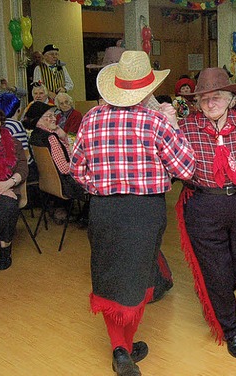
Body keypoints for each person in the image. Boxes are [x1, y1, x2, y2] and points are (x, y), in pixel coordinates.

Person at [70, 50, 195, 376]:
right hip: (144, 210)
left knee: (109, 276)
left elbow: (77, 170)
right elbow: (186, 167)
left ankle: (119, 348)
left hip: (104, 210)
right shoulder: (155, 121)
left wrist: (99, 186)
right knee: (138, 276)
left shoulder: (91, 118)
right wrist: (173, 125)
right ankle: (125, 348)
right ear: (147, 90)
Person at [175, 67, 236, 359]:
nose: (210, 104)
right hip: (202, 205)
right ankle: (231, 328)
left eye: (216, 97)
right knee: (217, 270)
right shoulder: (185, 128)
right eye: (203, 99)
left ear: (231, 99)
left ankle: (214, 292)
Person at [0, 106, 28, 271]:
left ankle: (5, 247)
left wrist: (8, 184)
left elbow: (23, 168)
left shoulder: (14, 143)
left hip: (10, 188)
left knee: (6, 207)